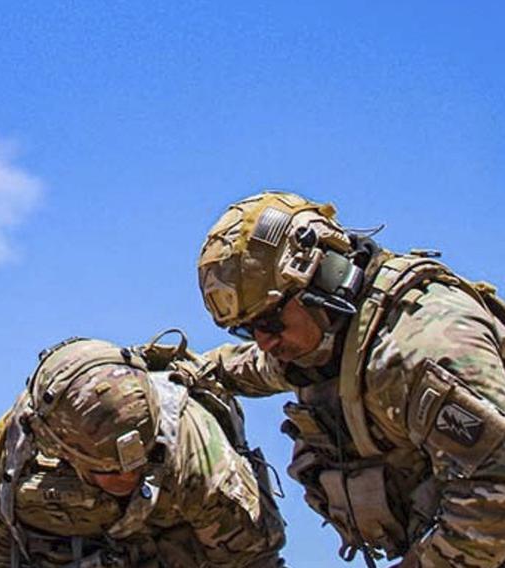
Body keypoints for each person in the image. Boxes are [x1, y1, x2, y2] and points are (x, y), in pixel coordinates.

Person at [192, 191, 505, 567]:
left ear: (322, 278)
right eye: (246, 331)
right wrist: (167, 367)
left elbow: (496, 495)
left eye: (269, 322)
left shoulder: (419, 348)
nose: (264, 342)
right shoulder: (318, 345)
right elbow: (248, 367)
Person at [0, 333, 287, 568]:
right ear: (60, 450)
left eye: (142, 461)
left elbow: (251, 557)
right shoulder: (11, 460)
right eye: (110, 469)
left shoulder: (194, 447)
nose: (130, 476)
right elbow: (0, 550)